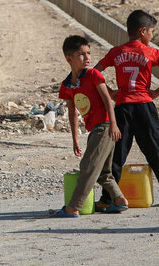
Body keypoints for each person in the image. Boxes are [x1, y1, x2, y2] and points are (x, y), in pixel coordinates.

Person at [96, 10, 159, 208]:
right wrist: (156, 93)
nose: (152, 36)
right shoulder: (151, 52)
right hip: (144, 107)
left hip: (123, 108)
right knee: (155, 152)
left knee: (116, 154)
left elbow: (94, 72)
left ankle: (107, 199)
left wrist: (110, 92)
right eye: (152, 32)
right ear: (143, 31)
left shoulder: (116, 52)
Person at [50, 35, 129, 217]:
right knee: (103, 172)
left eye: (88, 53)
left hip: (106, 126)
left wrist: (114, 125)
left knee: (88, 167)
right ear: (69, 58)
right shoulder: (67, 85)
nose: (87, 58)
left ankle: (73, 207)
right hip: (96, 129)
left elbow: (108, 99)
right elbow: (72, 112)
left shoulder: (93, 75)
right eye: (81, 54)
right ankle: (119, 200)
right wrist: (75, 139)